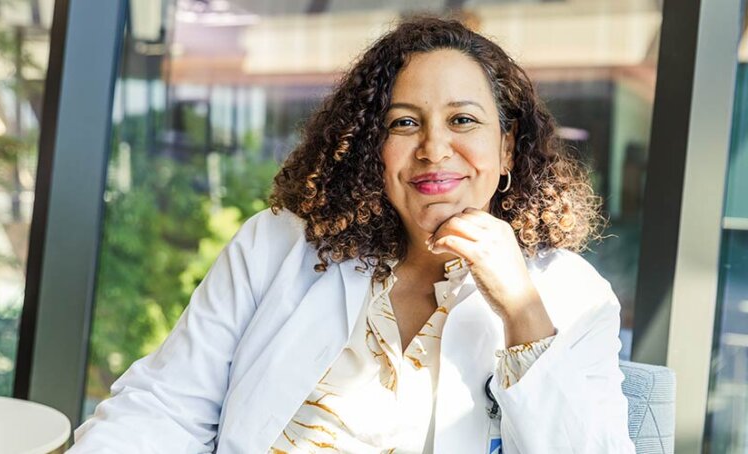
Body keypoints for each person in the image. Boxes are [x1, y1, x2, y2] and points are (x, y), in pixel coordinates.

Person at [69, 16, 634, 453]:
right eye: (404, 122)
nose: (434, 148)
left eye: (463, 120)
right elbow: (164, 406)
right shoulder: (276, 247)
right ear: (374, 148)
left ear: (506, 147)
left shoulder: (569, 296)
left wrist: (520, 310)